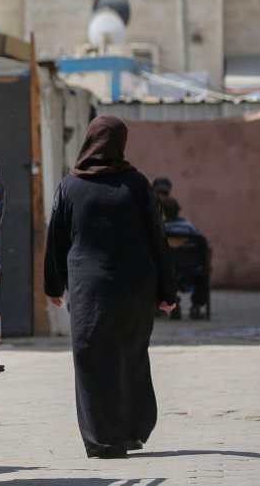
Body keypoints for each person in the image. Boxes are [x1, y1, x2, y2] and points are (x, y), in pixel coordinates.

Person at [44, 114, 178, 460]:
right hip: (135, 287)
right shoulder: (137, 185)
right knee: (130, 355)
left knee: (91, 358)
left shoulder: (70, 186)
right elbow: (157, 239)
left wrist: (53, 283)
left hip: (90, 290)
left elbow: (56, 236)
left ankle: (104, 439)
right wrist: (167, 292)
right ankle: (133, 430)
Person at [161, 196, 212, 320]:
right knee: (203, 273)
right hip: (193, 268)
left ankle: (171, 303)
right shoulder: (190, 227)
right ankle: (196, 306)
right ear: (179, 209)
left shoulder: (161, 228)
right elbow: (206, 247)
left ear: (163, 211)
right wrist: (207, 264)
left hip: (170, 270)